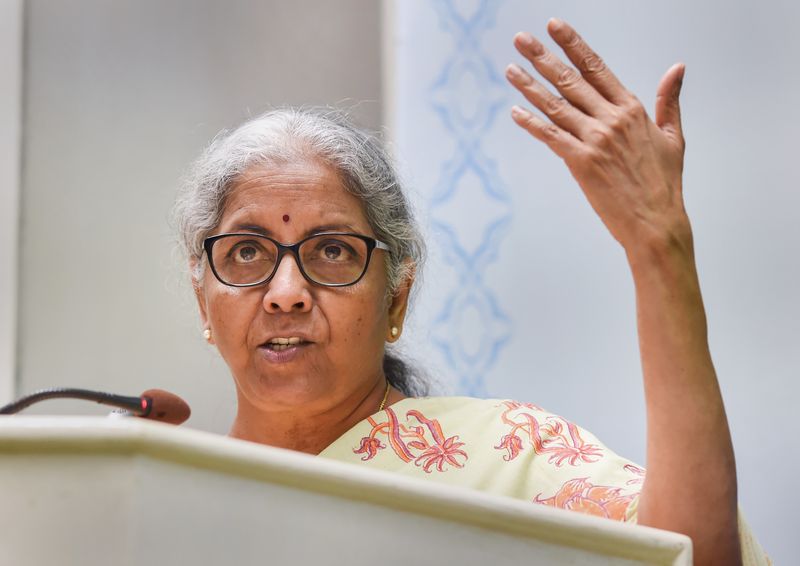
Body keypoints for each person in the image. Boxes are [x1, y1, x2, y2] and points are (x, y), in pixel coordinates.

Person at [174, 19, 768, 566]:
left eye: (333, 251)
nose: (286, 293)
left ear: (396, 299)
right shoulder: (168, 498)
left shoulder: (509, 461)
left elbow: (691, 555)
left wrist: (659, 250)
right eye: (246, 252)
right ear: (204, 300)